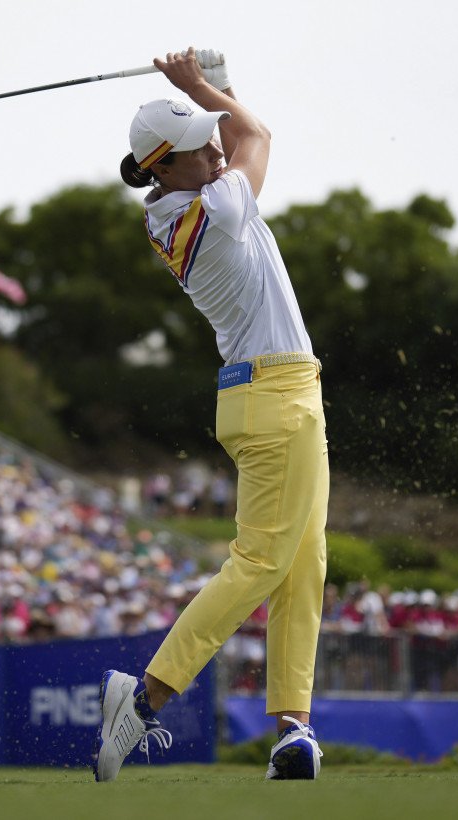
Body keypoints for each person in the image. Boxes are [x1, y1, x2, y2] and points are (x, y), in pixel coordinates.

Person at [95, 47, 328, 783]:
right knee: (261, 560)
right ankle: (148, 695)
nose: (213, 147)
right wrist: (200, 87)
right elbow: (255, 137)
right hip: (275, 397)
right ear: (165, 166)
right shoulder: (216, 208)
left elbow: (231, 134)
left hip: (267, 392)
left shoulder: (187, 199)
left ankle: (294, 728)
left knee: (302, 562)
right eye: (198, 143)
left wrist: (211, 85)